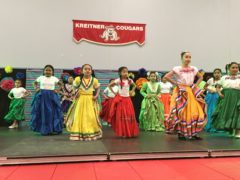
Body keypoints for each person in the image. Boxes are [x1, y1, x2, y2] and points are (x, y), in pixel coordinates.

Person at [164, 51, 207, 140]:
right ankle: (181, 133)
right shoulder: (177, 68)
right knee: (182, 112)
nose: (188, 59)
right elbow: (166, 76)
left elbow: (201, 77)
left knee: (195, 111)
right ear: (182, 58)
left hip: (190, 91)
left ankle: (194, 132)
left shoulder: (193, 68)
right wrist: (176, 83)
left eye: (189, 57)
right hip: (181, 91)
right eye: (186, 57)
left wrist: (195, 85)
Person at [66, 64, 102, 141]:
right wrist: (76, 92)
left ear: (91, 71)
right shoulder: (78, 79)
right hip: (80, 99)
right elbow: (74, 87)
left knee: (90, 116)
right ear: (82, 71)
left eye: (89, 69)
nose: (87, 70)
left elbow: (98, 88)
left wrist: (96, 95)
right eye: (85, 69)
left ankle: (90, 132)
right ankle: (79, 133)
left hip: (90, 99)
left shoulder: (94, 80)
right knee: (79, 115)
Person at [31, 65, 63, 135]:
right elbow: (34, 83)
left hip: (52, 96)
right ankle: (44, 129)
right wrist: (36, 88)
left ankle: (52, 129)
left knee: (52, 112)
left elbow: (61, 84)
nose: (48, 72)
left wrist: (57, 90)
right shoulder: (41, 77)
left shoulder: (54, 78)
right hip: (42, 96)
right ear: (44, 71)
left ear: (52, 72)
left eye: (49, 70)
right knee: (43, 112)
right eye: (46, 70)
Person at [109, 66, 139, 138]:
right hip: (121, 100)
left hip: (128, 99)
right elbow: (110, 86)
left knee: (129, 115)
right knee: (122, 116)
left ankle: (130, 131)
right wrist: (115, 93)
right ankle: (124, 132)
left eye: (126, 71)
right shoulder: (118, 80)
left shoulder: (130, 80)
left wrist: (132, 91)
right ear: (120, 73)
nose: (125, 73)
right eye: (124, 72)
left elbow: (135, 86)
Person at [212, 62, 240, 138]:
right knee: (228, 113)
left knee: (237, 113)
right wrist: (219, 93)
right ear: (229, 68)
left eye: (236, 67)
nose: (235, 69)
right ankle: (231, 130)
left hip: (238, 96)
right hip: (227, 98)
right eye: (233, 67)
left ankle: (238, 131)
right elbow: (218, 87)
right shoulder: (224, 77)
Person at [204, 68, 222, 132]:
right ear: (213, 74)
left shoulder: (222, 80)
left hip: (218, 97)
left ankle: (217, 126)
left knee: (218, 111)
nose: (217, 74)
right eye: (215, 73)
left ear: (221, 74)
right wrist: (209, 90)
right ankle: (209, 126)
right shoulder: (210, 80)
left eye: (218, 73)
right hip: (210, 97)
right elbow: (205, 87)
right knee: (210, 111)